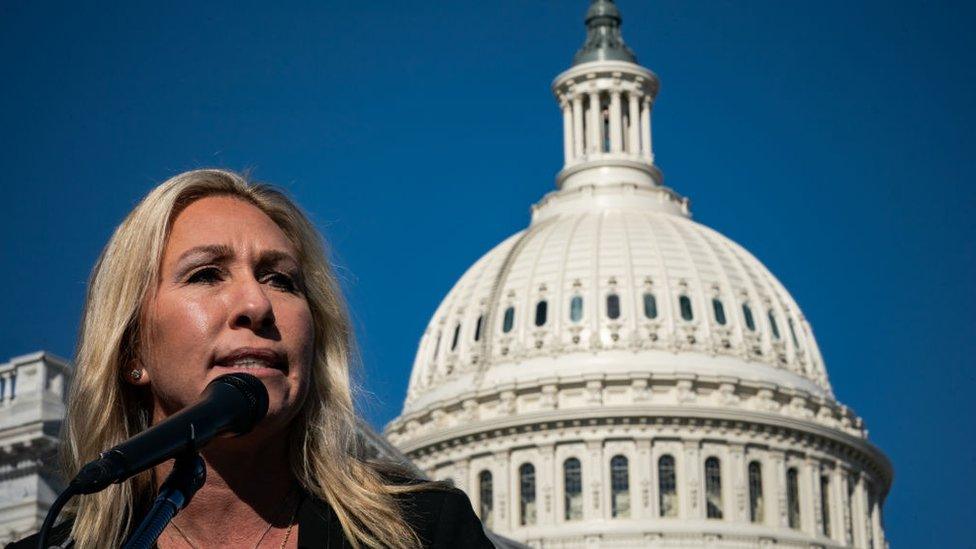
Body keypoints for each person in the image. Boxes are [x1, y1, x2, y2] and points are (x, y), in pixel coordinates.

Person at [10, 169, 493, 548]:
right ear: (133, 349)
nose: (257, 305)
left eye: (280, 279)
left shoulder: (423, 533)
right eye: (205, 274)